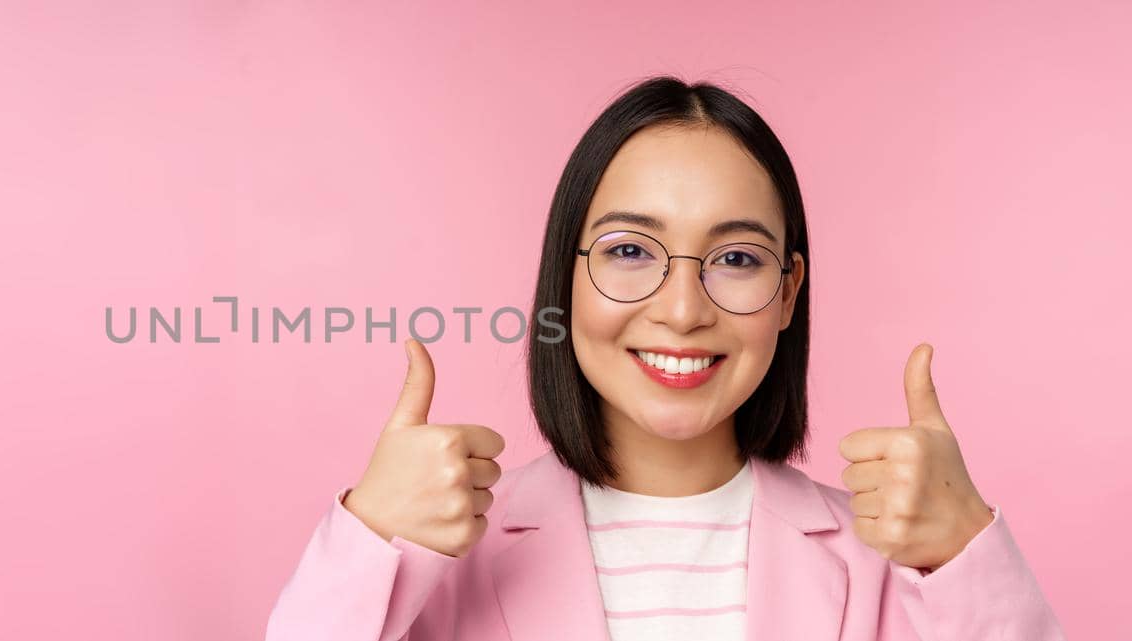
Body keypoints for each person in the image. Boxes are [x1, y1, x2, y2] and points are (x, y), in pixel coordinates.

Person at [264, 76, 1065, 641]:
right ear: (565, 277)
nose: (682, 311)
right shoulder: (440, 554)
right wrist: (369, 539)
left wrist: (966, 551)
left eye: (739, 260)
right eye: (629, 250)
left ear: (789, 294)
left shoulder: (895, 562)